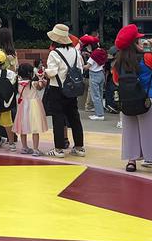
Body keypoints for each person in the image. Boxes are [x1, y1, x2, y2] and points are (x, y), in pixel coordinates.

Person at [112, 25, 152, 175]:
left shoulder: (118, 62)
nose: (142, 42)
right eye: (139, 39)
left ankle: (131, 162)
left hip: (128, 101)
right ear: (134, 43)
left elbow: (117, 81)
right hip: (148, 100)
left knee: (130, 132)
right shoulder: (147, 58)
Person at [43, 23, 86, 158]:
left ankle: (59, 149)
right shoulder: (75, 51)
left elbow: (51, 72)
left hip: (57, 89)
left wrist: (44, 72)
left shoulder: (54, 54)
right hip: (72, 89)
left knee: (58, 118)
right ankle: (79, 147)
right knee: (74, 116)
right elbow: (80, 68)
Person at [13, 62, 46, 156]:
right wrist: (41, 79)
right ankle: (36, 149)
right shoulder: (33, 83)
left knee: (23, 126)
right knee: (35, 127)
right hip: (34, 105)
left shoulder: (18, 83)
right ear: (31, 73)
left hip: (23, 105)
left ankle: (24, 147)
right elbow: (40, 87)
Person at [87, 43, 108, 121]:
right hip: (101, 74)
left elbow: (87, 66)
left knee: (95, 96)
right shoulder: (102, 52)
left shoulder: (93, 55)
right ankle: (100, 112)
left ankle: (99, 115)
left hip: (94, 75)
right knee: (100, 95)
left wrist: (81, 66)